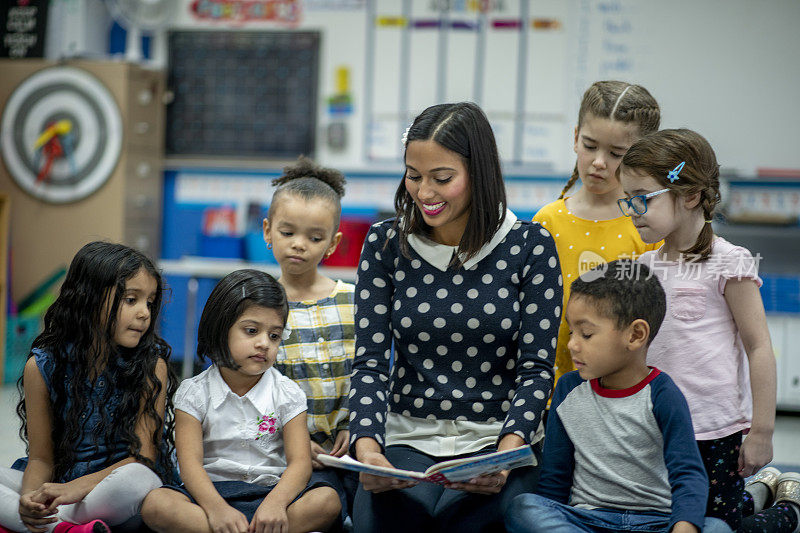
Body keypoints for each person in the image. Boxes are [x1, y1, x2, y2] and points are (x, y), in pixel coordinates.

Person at [347, 102, 562, 532]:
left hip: (497, 440)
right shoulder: (385, 243)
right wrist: (368, 451)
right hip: (407, 437)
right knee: (380, 516)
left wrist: (507, 452)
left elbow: (537, 370)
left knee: (489, 519)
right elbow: (369, 364)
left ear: (478, 173)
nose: (425, 193)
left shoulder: (530, 246)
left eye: (442, 178)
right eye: (413, 175)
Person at [619, 128, 791, 531]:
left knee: (717, 526)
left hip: (715, 430)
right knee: (677, 520)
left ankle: (789, 509)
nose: (632, 210)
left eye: (642, 198)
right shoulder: (643, 268)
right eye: (627, 199)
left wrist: (761, 431)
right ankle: (757, 493)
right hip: (658, 428)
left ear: (690, 195)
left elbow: (759, 347)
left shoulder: (730, 262)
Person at [505, 260, 731, 533]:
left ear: (636, 335)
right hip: (587, 521)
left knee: (716, 528)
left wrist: (684, 527)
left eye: (586, 334)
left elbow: (688, 474)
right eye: (571, 332)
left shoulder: (663, 394)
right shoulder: (567, 389)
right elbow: (555, 479)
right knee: (525, 507)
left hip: (655, 522)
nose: (572, 344)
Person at [141, 269, 341, 533]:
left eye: (274, 335)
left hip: (272, 494)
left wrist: (276, 504)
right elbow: (189, 465)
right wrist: (216, 509)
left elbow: (300, 463)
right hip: (210, 496)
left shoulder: (288, 393)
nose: (263, 343)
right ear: (220, 328)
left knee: (327, 501)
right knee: (156, 504)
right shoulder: (194, 392)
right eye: (251, 330)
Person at [0, 241, 176, 533]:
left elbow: (144, 458)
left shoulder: (150, 365)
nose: (145, 313)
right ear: (89, 299)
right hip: (59, 481)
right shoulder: (42, 367)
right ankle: (59, 526)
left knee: (137, 480)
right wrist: (31, 500)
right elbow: (41, 458)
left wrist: (76, 488)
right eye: (131, 300)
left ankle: (41, 526)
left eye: (150, 301)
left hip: (112, 486)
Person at [533, 80, 662, 390]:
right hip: (555, 396)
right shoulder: (547, 222)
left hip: (628, 398)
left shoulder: (649, 227)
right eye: (590, 146)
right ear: (576, 137)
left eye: (617, 153)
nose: (599, 162)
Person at [265, 156, 359, 524]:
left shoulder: (354, 301)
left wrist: (357, 425)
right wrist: (297, 443)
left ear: (333, 244)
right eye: (287, 233)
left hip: (349, 450)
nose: (299, 245)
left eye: (314, 237)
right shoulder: (257, 306)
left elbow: (370, 371)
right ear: (267, 230)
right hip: (277, 454)